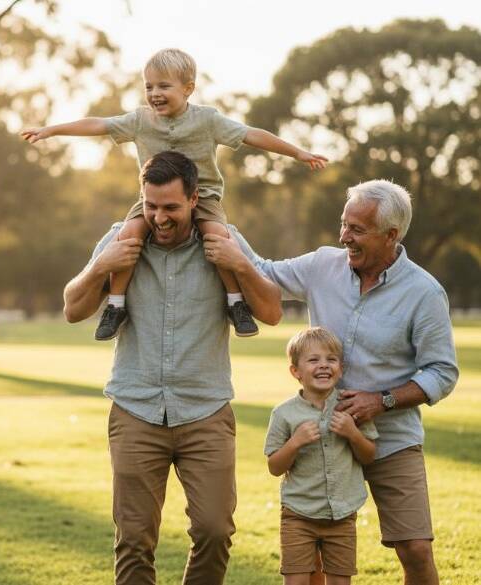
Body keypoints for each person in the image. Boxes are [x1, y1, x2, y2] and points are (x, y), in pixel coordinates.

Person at [203, 179, 459, 584]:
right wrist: (214, 219)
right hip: (320, 435)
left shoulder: (424, 293)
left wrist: (381, 401)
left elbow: (442, 372)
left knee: (415, 548)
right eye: (344, 224)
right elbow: (264, 271)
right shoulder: (323, 265)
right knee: (315, 555)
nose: (344, 237)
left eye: (357, 229)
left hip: (391, 438)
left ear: (391, 235)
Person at [63, 150, 282, 585]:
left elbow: (272, 312)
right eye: (150, 206)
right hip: (136, 410)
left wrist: (240, 263)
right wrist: (102, 266)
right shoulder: (121, 239)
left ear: (195, 199)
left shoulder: (225, 239)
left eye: (170, 208)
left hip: (206, 411)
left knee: (215, 530)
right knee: (133, 539)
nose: (159, 218)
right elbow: (73, 308)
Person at [23, 47, 326, 340]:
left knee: (217, 237)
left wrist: (297, 153)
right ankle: (115, 305)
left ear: (188, 88)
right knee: (127, 235)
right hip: (153, 198)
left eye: (164, 86)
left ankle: (235, 302)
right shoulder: (140, 120)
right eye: (149, 86)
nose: (154, 93)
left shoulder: (207, 120)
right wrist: (52, 130)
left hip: (204, 194)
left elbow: (251, 135)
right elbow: (99, 124)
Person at [265, 327, 378, 584]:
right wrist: (295, 443)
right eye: (313, 360)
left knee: (340, 581)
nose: (324, 365)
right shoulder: (283, 414)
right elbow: (274, 466)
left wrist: (353, 434)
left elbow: (369, 456)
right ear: (296, 371)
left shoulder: (352, 405)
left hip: (342, 515)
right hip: (298, 514)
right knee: (296, 581)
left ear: (341, 368)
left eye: (331, 359)